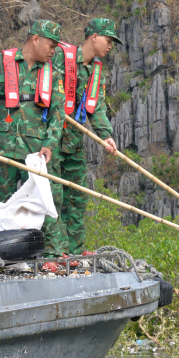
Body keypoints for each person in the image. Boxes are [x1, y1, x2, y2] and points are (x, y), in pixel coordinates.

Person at [0, 19, 66, 267]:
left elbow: (58, 113)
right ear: (35, 39)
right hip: (2, 149)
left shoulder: (52, 74)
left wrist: (50, 143)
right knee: (0, 204)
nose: (53, 51)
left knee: (43, 204)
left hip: (34, 152)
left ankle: (50, 258)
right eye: (50, 45)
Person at [50, 18, 121, 256]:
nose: (110, 45)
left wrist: (106, 135)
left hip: (74, 141)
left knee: (78, 197)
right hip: (51, 139)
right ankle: (56, 251)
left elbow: (96, 107)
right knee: (53, 197)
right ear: (94, 37)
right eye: (108, 40)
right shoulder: (63, 57)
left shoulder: (96, 70)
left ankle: (75, 250)